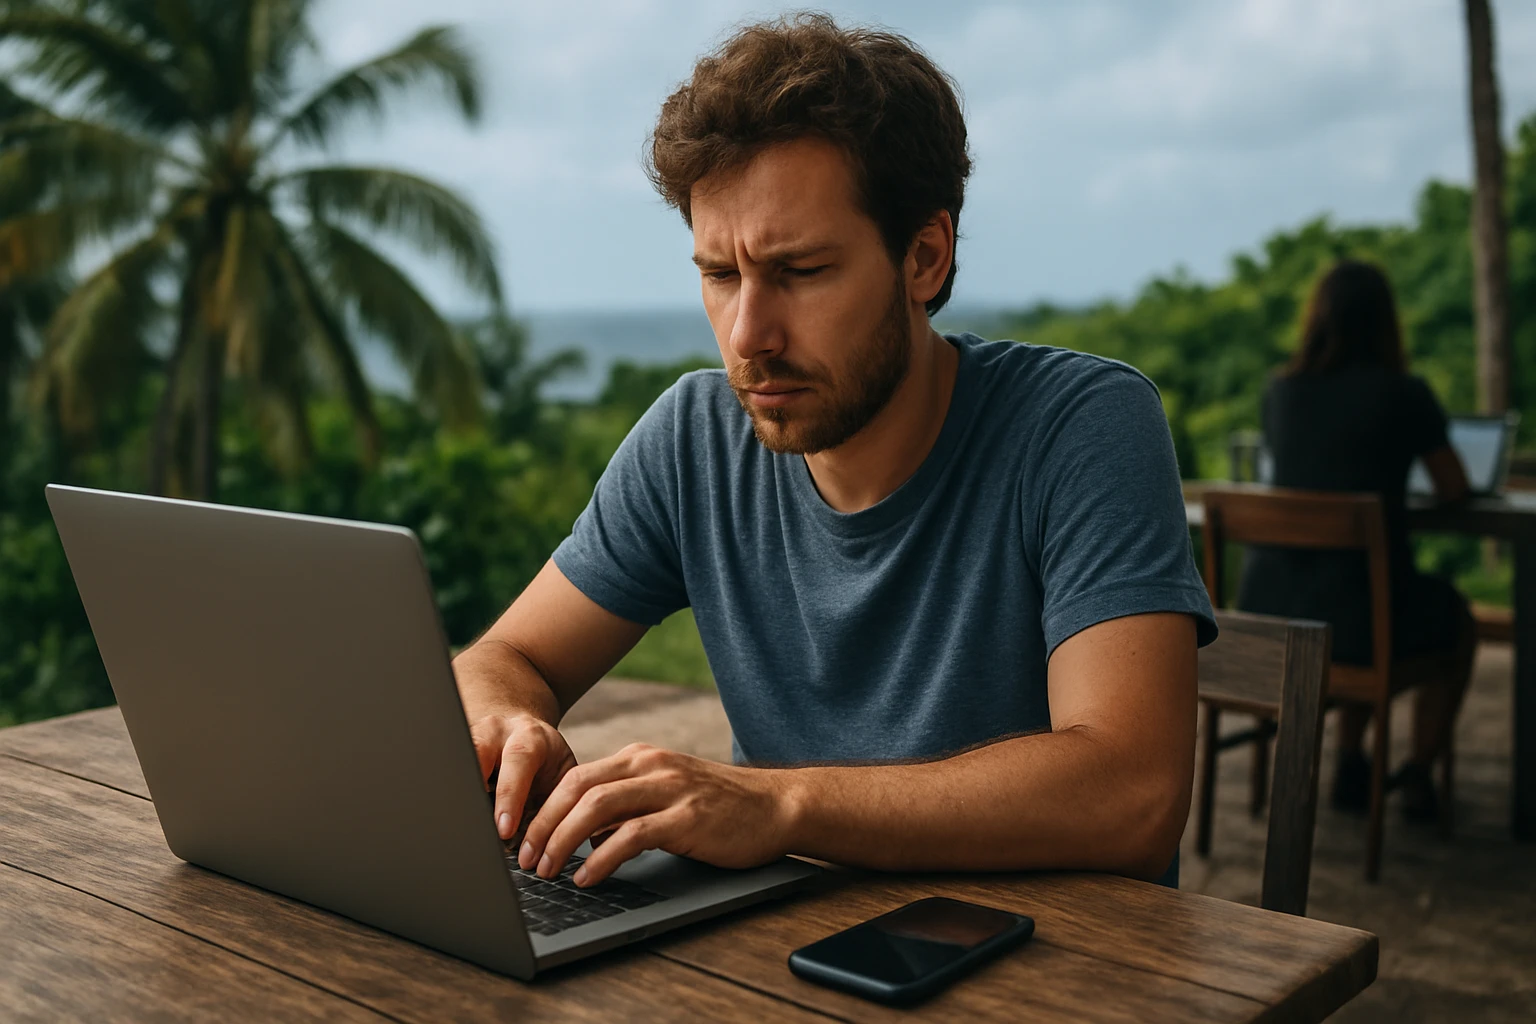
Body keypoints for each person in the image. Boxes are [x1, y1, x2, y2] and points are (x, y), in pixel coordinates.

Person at [450, 13, 1216, 891]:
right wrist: (508, 721)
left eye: (802, 272)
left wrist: (780, 804)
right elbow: (504, 659)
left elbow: (1132, 793)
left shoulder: (1081, 424)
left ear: (924, 258)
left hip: (1044, 951)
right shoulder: (695, 439)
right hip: (777, 942)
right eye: (720, 274)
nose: (749, 335)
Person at [1238, 259, 1476, 822]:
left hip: (1272, 610)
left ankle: (1351, 759)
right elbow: (1454, 487)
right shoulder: (1405, 394)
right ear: (1385, 322)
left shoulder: (1280, 391)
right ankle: (1417, 771)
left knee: (1364, 596)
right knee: (1452, 618)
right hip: (1360, 621)